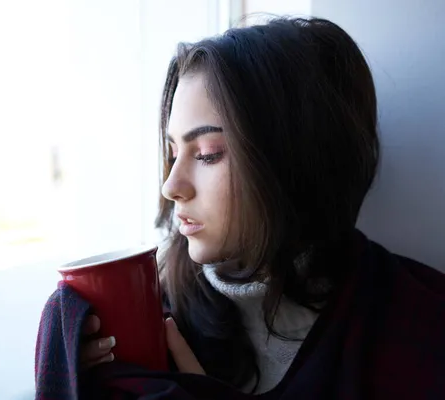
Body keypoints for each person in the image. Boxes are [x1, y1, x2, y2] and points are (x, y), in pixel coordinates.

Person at [75, 16, 445, 396]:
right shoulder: (153, 317)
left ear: (293, 157)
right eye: (172, 154)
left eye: (207, 154)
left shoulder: (417, 327)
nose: (171, 187)